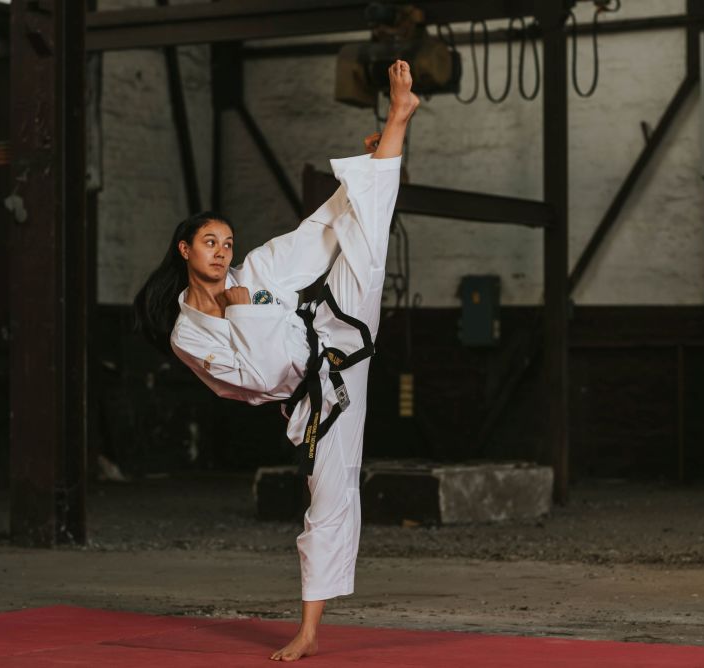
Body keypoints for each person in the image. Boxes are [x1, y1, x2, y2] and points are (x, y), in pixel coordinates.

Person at [134, 60, 419, 662]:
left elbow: (318, 234)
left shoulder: (255, 272)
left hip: (341, 329)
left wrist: (361, 177)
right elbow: (262, 379)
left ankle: (398, 118)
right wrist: (243, 313)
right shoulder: (189, 333)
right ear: (185, 250)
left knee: (360, 226)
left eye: (227, 242)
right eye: (210, 242)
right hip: (317, 393)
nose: (222, 251)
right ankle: (310, 629)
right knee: (329, 495)